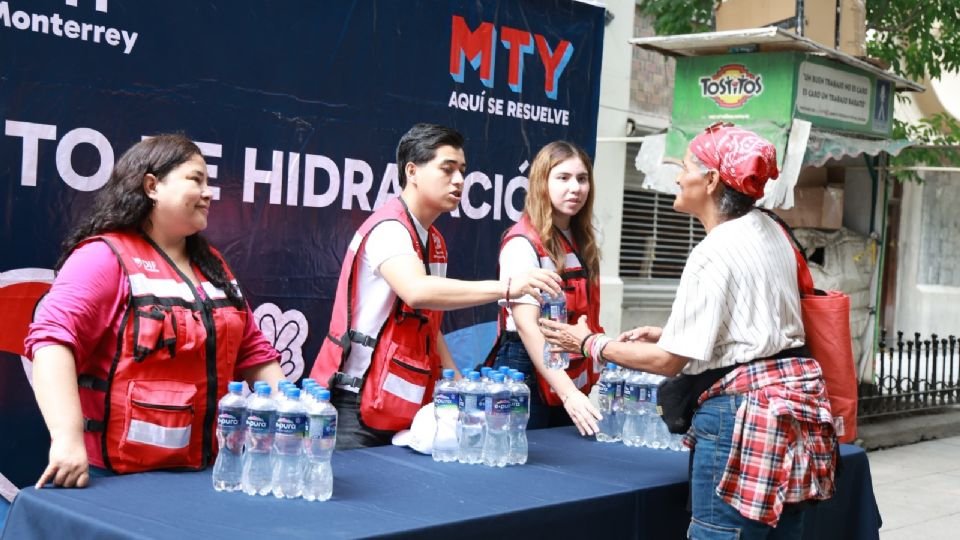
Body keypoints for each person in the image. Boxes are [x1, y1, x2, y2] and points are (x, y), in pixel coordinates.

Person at [541, 123, 837, 538]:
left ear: (711, 181)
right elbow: (756, 327)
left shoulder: (713, 251)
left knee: (720, 532)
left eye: (684, 167)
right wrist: (671, 333)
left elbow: (667, 363)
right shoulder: (772, 228)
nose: (678, 177)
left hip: (743, 414)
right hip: (794, 409)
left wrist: (589, 342)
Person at [24, 134, 284, 489]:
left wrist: (294, 418)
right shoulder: (102, 257)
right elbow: (52, 344)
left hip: (209, 474)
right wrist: (67, 440)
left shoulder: (213, 265)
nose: (208, 193)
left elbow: (252, 350)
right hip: (118, 480)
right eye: (195, 179)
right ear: (152, 186)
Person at [310, 123, 562, 450]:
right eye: (447, 169)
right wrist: (507, 287)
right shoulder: (389, 229)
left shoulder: (435, 241)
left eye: (462, 171)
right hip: (356, 404)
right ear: (412, 171)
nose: (459, 180)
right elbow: (417, 291)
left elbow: (427, 320)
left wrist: (455, 380)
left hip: (403, 403)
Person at [489, 141, 603, 436]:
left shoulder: (581, 238)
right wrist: (569, 394)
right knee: (529, 456)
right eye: (563, 178)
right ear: (542, 182)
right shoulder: (522, 243)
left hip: (567, 365)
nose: (575, 188)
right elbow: (527, 326)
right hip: (527, 367)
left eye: (582, 179)